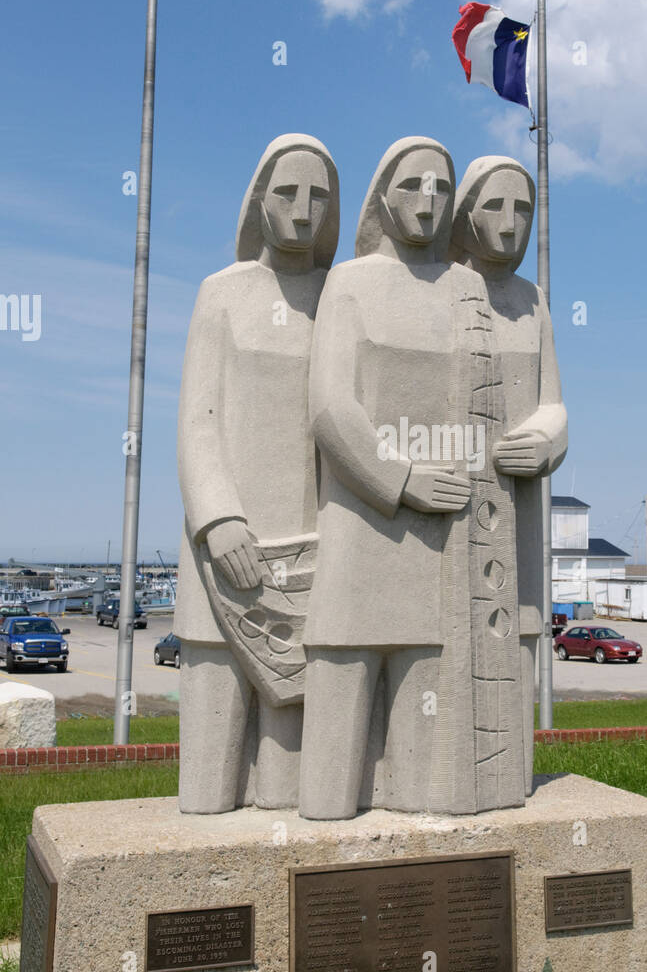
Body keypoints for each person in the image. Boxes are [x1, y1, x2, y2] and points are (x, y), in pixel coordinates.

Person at [298, 137, 475, 819]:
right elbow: (330, 406)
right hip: (362, 527)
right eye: (411, 186)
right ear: (382, 197)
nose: (427, 201)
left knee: (428, 782)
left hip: (442, 545)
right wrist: (401, 478)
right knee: (330, 776)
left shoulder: (466, 292)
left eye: (441, 188)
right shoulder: (350, 282)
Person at [175, 135, 339, 812]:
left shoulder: (340, 298)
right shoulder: (222, 293)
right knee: (210, 778)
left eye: (318, 197)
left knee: (288, 779)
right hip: (225, 551)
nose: (301, 211)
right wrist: (218, 519)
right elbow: (197, 419)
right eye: (286, 193)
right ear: (258, 200)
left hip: (313, 555)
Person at [448, 156, 568, 794]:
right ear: (465, 214)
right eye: (495, 206)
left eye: (522, 209)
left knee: (518, 629)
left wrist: (546, 440)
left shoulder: (533, 301)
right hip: (447, 512)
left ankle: (508, 781)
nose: (510, 221)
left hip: (515, 518)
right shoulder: (442, 287)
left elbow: (556, 404)